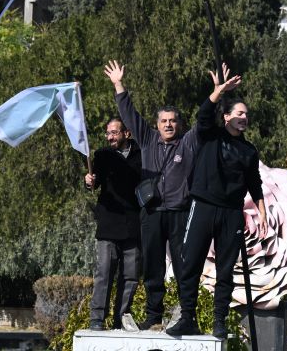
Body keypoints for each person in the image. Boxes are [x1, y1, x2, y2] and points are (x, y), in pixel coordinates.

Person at [167, 66, 267, 339]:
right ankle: (188, 317)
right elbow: (202, 115)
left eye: (247, 114)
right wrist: (219, 91)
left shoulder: (248, 150)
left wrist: (262, 211)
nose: (244, 117)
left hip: (231, 212)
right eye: (239, 113)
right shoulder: (211, 135)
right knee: (190, 263)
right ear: (226, 117)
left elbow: (254, 182)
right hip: (203, 206)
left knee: (226, 270)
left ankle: (219, 320)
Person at [103, 60, 203, 331]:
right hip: (151, 214)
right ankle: (154, 315)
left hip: (179, 213)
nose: (168, 125)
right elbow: (128, 113)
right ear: (157, 124)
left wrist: (216, 93)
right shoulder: (147, 139)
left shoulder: (188, 142)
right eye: (163, 121)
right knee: (153, 268)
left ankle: (186, 315)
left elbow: (204, 120)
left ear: (179, 124)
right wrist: (118, 84)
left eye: (172, 121)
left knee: (184, 267)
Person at [84, 118, 142, 331]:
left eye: (114, 133)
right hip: (108, 224)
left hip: (133, 225)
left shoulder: (142, 154)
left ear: (127, 133)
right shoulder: (102, 156)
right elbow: (94, 182)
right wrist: (88, 181)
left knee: (131, 276)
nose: (110, 137)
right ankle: (97, 319)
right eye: (108, 133)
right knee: (104, 273)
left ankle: (121, 318)